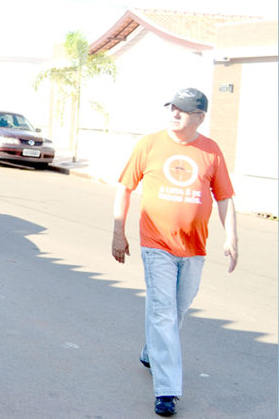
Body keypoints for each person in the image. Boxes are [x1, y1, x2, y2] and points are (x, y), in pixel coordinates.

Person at [111, 87, 238, 416]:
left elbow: (224, 198)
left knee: (177, 309)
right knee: (165, 312)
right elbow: (125, 187)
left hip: (194, 247)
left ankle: (151, 352)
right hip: (157, 246)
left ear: (199, 117)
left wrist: (231, 236)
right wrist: (118, 233)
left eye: (183, 110)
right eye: (173, 107)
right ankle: (166, 390)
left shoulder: (211, 151)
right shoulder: (150, 144)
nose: (175, 113)